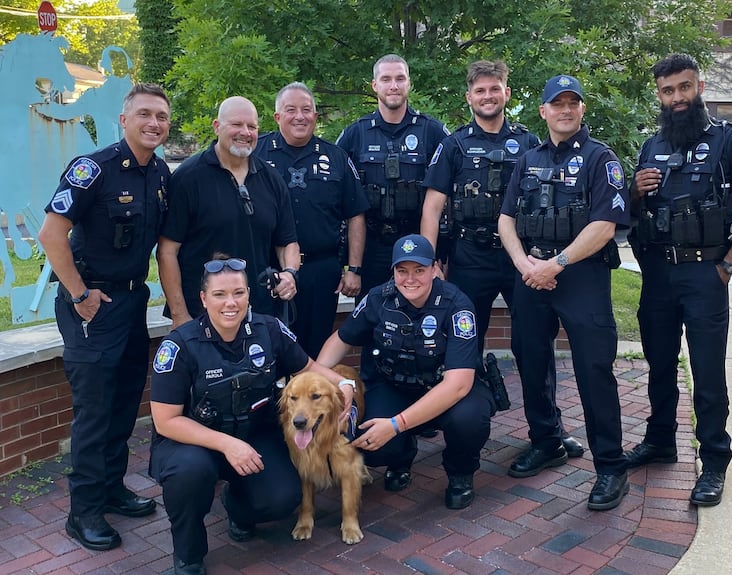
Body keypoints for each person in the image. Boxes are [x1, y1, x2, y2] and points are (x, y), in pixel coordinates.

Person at [625, 54, 732, 507]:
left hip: (706, 274)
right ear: (659, 95)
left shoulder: (731, 142)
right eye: (668, 91)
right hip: (658, 275)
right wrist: (635, 191)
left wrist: (727, 267)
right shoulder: (651, 146)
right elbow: (630, 215)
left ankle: (714, 460)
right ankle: (660, 440)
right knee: (659, 364)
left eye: (684, 87)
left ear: (700, 87)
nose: (677, 98)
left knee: (707, 372)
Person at [419, 60, 584, 457]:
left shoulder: (529, 142)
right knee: (464, 346)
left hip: (520, 259)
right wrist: (429, 263)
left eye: (495, 89)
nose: (488, 96)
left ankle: (548, 431)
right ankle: (466, 435)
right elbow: (432, 208)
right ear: (469, 97)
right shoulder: (454, 145)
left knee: (534, 345)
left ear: (507, 93)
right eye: (480, 90)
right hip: (469, 257)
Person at [149, 254, 352, 575]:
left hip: (253, 433)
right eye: (219, 294)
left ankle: (238, 508)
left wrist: (343, 383)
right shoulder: (180, 346)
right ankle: (189, 554)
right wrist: (227, 445)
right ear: (203, 299)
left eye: (238, 293)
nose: (230, 303)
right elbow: (166, 421)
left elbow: (308, 367)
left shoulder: (268, 330)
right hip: (194, 442)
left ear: (248, 295)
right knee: (189, 474)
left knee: (283, 497)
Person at [38, 83, 171, 551]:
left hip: (132, 302)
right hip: (91, 307)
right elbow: (51, 233)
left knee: (123, 401)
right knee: (94, 411)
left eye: (161, 116)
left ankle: (112, 488)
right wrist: (79, 294)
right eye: (145, 114)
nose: (154, 123)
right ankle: (84, 512)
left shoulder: (159, 173)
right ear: (124, 119)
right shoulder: (93, 169)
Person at [497, 75, 630, 510]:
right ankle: (546, 440)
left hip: (581, 277)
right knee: (531, 360)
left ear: (582, 109)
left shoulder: (600, 158)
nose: (566, 109)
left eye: (573, 102)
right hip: (532, 274)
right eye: (557, 103)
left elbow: (604, 225)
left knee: (594, 370)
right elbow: (506, 219)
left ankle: (610, 467)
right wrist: (525, 265)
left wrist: (556, 265)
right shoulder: (528, 159)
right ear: (544, 111)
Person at [316, 234, 494, 510]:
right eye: (402, 271)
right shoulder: (378, 298)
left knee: (468, 420)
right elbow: (340, 340)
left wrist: (396, 425)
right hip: (395, 386)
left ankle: (460, 472)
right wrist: (315, 380)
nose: (410, 279)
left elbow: (458, 384)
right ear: (393, 272)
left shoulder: (457, 305)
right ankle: (401, 456)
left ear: (434, 269)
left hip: (445, 391)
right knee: (365, 441)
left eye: (419, 270)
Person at [157, 96, 300, 328]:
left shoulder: (272, 179)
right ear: (217, 126)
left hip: (261, 315)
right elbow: (167, 252)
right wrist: (179, 314)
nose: (245, 132)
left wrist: (290, 273)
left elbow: (287, 242)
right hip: (203, 316)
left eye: (252, 126)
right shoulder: (188, 178)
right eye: (236, 124)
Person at [254, 82, 369, 357]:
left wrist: (354, 268)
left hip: (321, 271)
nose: (300, 116)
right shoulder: (257, 154)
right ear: (277, 116)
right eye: (291, 110)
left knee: (317, 351)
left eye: (306, 110)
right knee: (270, 348)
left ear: (315, 117)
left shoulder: (336, 157)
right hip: (270, 270)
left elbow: (355, 214)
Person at [336, 54, 449, 295]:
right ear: (375, 85)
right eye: (386, 79)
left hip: (419, 242)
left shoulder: (432, 131)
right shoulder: (355, 134)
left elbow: (450, 194)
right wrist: (350, 266)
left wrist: (441, 256)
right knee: (371, 314)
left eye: (400, 78)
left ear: (409, 83)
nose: (394, 86)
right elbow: (337, 197)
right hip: (371, 246)